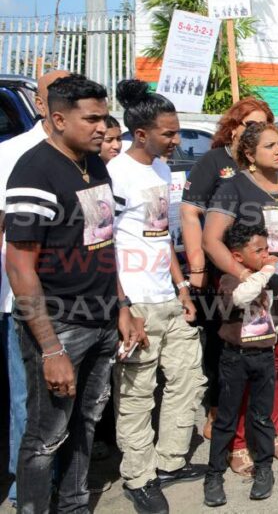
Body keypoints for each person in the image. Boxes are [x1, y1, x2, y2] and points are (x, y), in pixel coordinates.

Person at [5, 74, 145, 513]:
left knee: (86, 422)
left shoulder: (94, 163)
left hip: (103, 319)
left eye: (105, 117)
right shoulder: (34, 170)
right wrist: (50, 350)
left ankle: (74, 504)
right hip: (59, 325)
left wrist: (121, 305)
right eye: (92, 119)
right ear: (59, 118)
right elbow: (19, 266)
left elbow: (105, 243)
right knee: (45, 437)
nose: (103, 127)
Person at [108, 80, 207, 513]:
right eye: (169, 133)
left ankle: (168, 462)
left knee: (188, 379)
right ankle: (139, 476)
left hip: (167, 298)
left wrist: (182, 285)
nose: (177, 140)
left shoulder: (164, 170)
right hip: (136, 303)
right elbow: (101, 244)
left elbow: (161, 235)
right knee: (136, 393)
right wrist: (123, 305)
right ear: (142, 134)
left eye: (177, 131)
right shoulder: (113, 174)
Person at [203, 122, 278, 470]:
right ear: (250, 156)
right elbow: (211, 239)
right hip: (251, 297)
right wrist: (244, 276)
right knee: (243, 369)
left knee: (277, 366)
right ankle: (237, 443)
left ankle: (266, 437)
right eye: (269, 146)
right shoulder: (233, 188)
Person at [181, 97, 275, 443]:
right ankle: (217, 409)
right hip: (222, 267)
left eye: (264, 124)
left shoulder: (267, 162)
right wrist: (197, 264)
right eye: (250, 124)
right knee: (222, 343)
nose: (257, 130)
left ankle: (257, 415)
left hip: (259, 267)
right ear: (233, 127)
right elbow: (191, 214)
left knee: (258, 338)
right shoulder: (214, 161)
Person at [0, 68, 68, 507]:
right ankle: (28, 490)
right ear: (40, 105)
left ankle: (60, 485)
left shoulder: (89, 157)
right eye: (55, 95)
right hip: (26, 301)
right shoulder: (12, 155)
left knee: (69, 401)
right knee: (29, 402)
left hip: (82, 299)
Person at [202, 222, 278, 507]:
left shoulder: (267, 275)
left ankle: (264, 468)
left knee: (261, 417)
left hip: (263, 357)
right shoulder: (230, 279)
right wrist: (267, 271)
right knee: (225, 419)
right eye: (258, 250)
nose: (266, 254)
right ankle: (213, 475)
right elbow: (241, 297)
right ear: (237, 256)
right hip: (234, 358)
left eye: (267, 249)